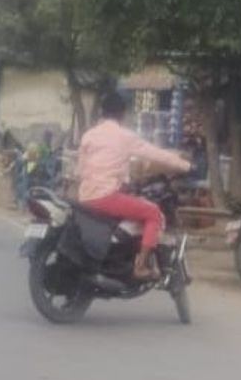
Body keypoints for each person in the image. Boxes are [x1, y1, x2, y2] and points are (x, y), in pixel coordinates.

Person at [78, 92, 191, 280]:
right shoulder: (124, 136)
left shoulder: (89, 135)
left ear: (102, 112)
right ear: (122, 114)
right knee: (153, 213)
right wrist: (185, 165)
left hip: (85, 196)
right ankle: (141, 266)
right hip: (106, 196)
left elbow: (80, 169)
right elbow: (154, 153)